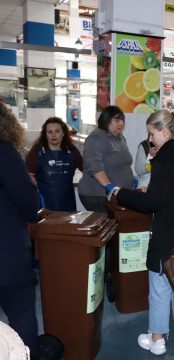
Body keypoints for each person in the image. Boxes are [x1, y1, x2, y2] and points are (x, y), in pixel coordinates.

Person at [113, 110, 174, 356]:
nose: (150, 139)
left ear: (165, 131)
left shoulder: (165, 157)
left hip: (170, 233)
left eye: (152, 133)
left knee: (160, 287)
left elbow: (153, 203)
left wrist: (119, 193)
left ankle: (157, 339)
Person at [0, 100, 40, 358]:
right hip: (7, 252)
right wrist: (30, 187)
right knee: (22, 313)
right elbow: (28, 205)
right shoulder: (4, 152)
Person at [78, 105, 134, 213]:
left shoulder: (120, 138)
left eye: (122, 120)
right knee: (108, 227)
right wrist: (110, 187)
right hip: (97, 195)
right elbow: (95, 167)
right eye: (117, 120)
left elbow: (123, 163)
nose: (121, 123)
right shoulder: (96, 138)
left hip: (115, 194)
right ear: (106, 119)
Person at [25, 117, 83, 211]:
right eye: (50, 132)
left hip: (68, 205)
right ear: (45, 134)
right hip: (43, 206)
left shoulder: (72, 151)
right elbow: (28, 177)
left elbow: (86, 169)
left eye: (57, 131)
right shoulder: (36, 152)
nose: (53, 135)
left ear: (63, 133)